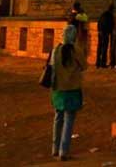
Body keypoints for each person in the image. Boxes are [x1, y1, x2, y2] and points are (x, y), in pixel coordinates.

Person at [50, 24, 86, 161]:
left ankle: (55, 148)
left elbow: (52, 67)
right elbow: (84, 66)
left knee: (58, 118)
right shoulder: (76, 50)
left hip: (58, 89)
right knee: (69, 120)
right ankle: (63, 151)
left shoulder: (56, 50)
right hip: (72, 89)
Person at [96, 4, 115, 68]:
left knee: (99, 48)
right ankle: (103, 63)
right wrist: (109, 32)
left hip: (100, 33)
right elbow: (111, 25)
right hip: (105, 33)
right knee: (104, 48)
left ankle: (98, 63)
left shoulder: (103, 14)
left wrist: (99, 30)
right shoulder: (110, 16)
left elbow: (99, 22)